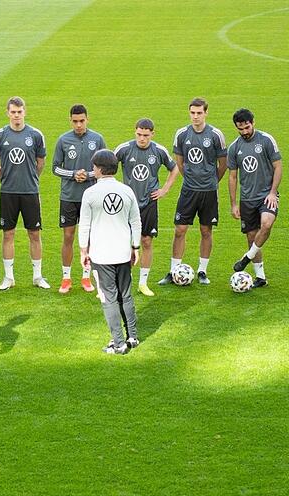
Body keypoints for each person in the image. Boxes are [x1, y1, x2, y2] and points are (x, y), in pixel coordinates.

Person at [159, 97, 227, 285]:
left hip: (209, 192)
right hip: (188, 190)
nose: (195, 117)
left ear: (206, 113)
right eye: (192, 113)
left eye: (199, 113)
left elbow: (223, 163)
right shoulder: (181, 134)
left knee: (206, 230)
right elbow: (179, 162)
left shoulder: (215, 135)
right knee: (180, 229)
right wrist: (189, 177)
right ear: (189, 113)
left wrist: (213, 180)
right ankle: (173, 271)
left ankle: (202, 271)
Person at [79, 150, 141, 355]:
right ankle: (132, 337)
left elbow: (85, 225)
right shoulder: (127, 191)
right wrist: (135, 246)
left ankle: (118, 344)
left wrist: (83, 251)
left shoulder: (90, 193)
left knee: (108, 298)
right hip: (123, 252)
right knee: (126, 294)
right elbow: (135, 222)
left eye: (94, 166)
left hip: (102, 254)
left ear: (98, 169)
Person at [0, 96, 50, 291]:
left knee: (34, 233)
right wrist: (5, 179)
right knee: (8, 234)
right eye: (13, 112)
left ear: (25, 112)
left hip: (30, 191)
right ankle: (8, 277)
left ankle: (38, 276)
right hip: (8, 192)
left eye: (19, 112)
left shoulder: (35, 135)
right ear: (7, 113)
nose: (16, 115)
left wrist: (31, 178)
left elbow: (41, 163)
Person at [114, 118, 179, 296]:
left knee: (146, 241)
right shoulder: (124, 149)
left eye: (145, 135)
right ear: (135, 132)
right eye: (139, 134)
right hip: (127, 203)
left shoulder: (158, 151)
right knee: (124, 243)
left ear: (152, 134)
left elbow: (174, 169)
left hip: (149, 202)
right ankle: (122, 284)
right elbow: (108, 167)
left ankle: (143, 283)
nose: (142, 138)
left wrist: (164, 189)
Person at [53, 104, 106, 294]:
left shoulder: (97, 139)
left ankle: (86, 276)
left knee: (89, 239)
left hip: (91, 197)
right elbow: (55, 168)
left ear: (87, 119)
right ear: (70, 120)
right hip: (69, 197)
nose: (78, 125)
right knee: (68, 236)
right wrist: (74, 174)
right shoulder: (63, 140)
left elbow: (105, 167)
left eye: (81, 121)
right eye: (75, 121)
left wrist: (89, 175)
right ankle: (66, 278)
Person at [229, 109, 282, 287]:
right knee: (252, 237)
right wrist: (234, 204)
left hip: (266, 195)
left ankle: (247, 258)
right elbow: (233, 177)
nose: (245, 131)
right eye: (240, 129)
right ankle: (260, 277)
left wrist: (273, 192)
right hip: (247, 199)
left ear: (253, 122)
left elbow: (278, 167)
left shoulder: (266, 140)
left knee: (266, 224)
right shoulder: (234, 147)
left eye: (247, 127)